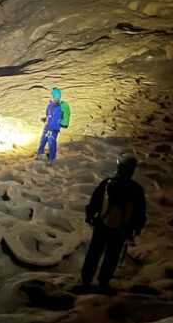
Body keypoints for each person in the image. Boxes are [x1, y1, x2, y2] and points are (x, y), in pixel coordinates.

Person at [79, 151, 146, 294]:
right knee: (112, 256)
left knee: (94, 253)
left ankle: (85, 282)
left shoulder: (107, 184)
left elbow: (94, 203)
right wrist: (135, 229)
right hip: (122, 230)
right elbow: (140, 213)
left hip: (102, 225)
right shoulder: (137, 190)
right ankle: (103, 283)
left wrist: (91, 217)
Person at [36, 87, 64, 165]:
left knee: (51, 143)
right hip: (48, 126)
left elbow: (55, 119)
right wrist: (45, 119)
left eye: (52, 94)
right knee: (43, 140)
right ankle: (40, 154)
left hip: (53, 128)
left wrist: (50, 128)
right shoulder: (51, 104)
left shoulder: (58, 107)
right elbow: (49, 115)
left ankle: (52, 158)